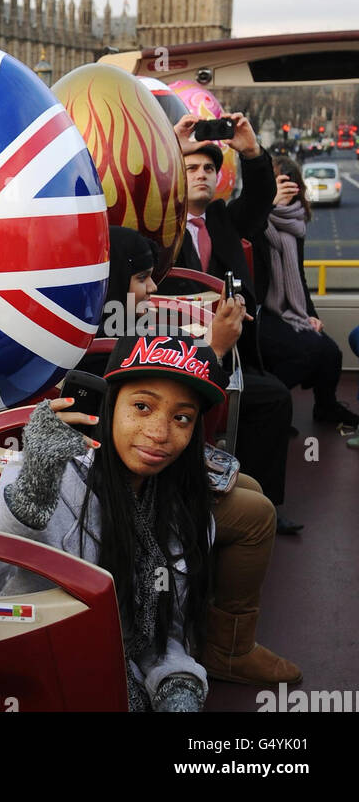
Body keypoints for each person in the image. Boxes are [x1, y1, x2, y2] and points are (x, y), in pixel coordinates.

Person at [0, 329, 223, 711]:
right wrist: (28, 499)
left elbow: (162, 637)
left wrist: (177, 684)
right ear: (109, 405)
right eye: (142, 406)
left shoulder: (189, 518)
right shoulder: (39, 477)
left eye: (182, 417)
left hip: (115, 677)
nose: (159, 433)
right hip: (24, 677)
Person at [81, 226, 300, 685]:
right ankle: (228, 647)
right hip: (113, 479)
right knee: (256, 514)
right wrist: (216, 349)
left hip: (136, 465)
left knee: (251, 488)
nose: (153, 289)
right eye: (141, 279)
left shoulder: (92, 320)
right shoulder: (93, 346)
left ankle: (201, 616)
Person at [164, 114, 301, 535]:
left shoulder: (224, 220)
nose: (201, 175)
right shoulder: (160, 226)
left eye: (208, 168)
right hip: (174, 353)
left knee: (274, 400)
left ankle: (260, 505)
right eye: (190, 168)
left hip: (231, 354)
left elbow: (260, 198)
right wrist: (166, 147)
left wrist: (251, 152)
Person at [252, 156, 358, 429]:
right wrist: (268, 205)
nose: (287, 188)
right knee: (306, 352)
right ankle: (271, 406)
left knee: (331, 352)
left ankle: (326, 406)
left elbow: (297, 276)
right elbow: (251, 246)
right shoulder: (253, 220)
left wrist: (312, 315)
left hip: (291, 310)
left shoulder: (296, 225)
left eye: (291, 183)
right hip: (261, 310)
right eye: (279, 182)